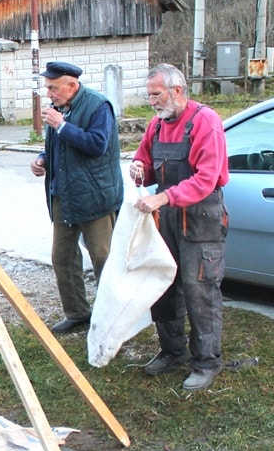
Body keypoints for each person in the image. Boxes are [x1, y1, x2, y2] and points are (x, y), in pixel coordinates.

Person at [129, 63, 230, 392]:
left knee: (201, 289)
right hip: (167, 216)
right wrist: (138, 167)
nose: (153, 102)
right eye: (149, 97)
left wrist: (163, 198)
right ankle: (172, 350)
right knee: (163, 283)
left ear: (177, 91)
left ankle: (205, 362)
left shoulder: (206, 122)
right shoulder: (156, 126)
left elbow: (205, 178)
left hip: (201, 217)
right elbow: (145, 158)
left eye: (156, 95)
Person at [30, 61, 123, 334]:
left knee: (103, 259)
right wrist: (42, 159)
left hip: (94, 197)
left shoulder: (98, 106)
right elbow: (59, 148)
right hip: (63, 195)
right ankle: (78, 313)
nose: (49, 93)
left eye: (53, 88)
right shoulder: (59, 109)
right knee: (62, 257)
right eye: (48, 87)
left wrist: (62, 127)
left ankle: (114, 319)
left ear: (72, 85)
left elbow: (97, 145)